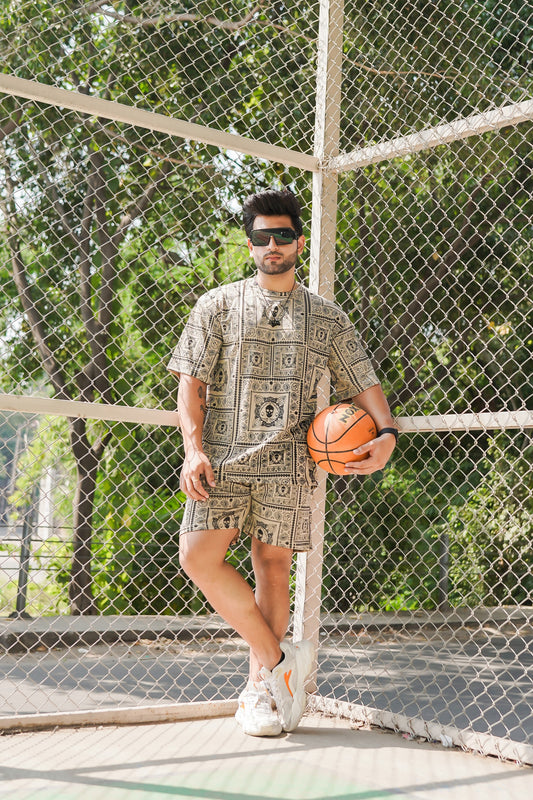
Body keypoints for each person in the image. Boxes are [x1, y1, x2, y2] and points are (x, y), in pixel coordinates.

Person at [167, 189, 397, 736]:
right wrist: (193, 449)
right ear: (248, 244)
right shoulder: (217, 304)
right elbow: (189, 386)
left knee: (273, 567)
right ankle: (279, 661)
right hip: (222, 457)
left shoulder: (327, 317)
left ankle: (261, 692)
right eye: (262, 236)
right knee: (196, 557)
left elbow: (363, 380)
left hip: (292, 462)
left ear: (298, 241)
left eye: (284, 235)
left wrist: (386, 432)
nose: (273, 245)